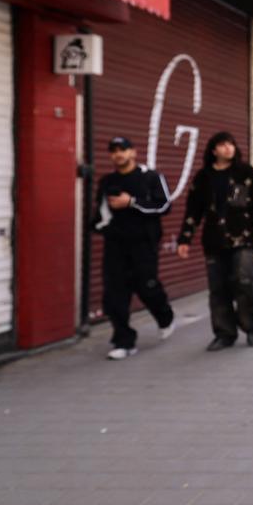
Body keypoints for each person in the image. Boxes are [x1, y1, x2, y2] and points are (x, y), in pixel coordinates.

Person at [176, 131, 253, 351]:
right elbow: (193, 210)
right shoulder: (203, 177)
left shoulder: (246, 173)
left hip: (243, 238)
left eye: (231, 144)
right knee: (217, 288)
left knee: (244, 281)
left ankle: (251, 327)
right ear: (213, 150)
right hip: (214, 241)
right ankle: (224, 333)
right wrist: (185, 238)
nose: (228, 148)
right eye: (223, 145)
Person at [92, 136, 176, 360]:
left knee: (147, 287)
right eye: (114, 151)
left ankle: (165, 316)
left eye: (123, 150)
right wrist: (103, 227)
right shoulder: (108, 181)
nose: (118, 154)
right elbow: (101, 212)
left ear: (133, 152)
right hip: (116, 245)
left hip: (144, 244)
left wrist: (132, 202)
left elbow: (164, 205)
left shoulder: (150, 177)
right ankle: (123, 341)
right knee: (114, 294)